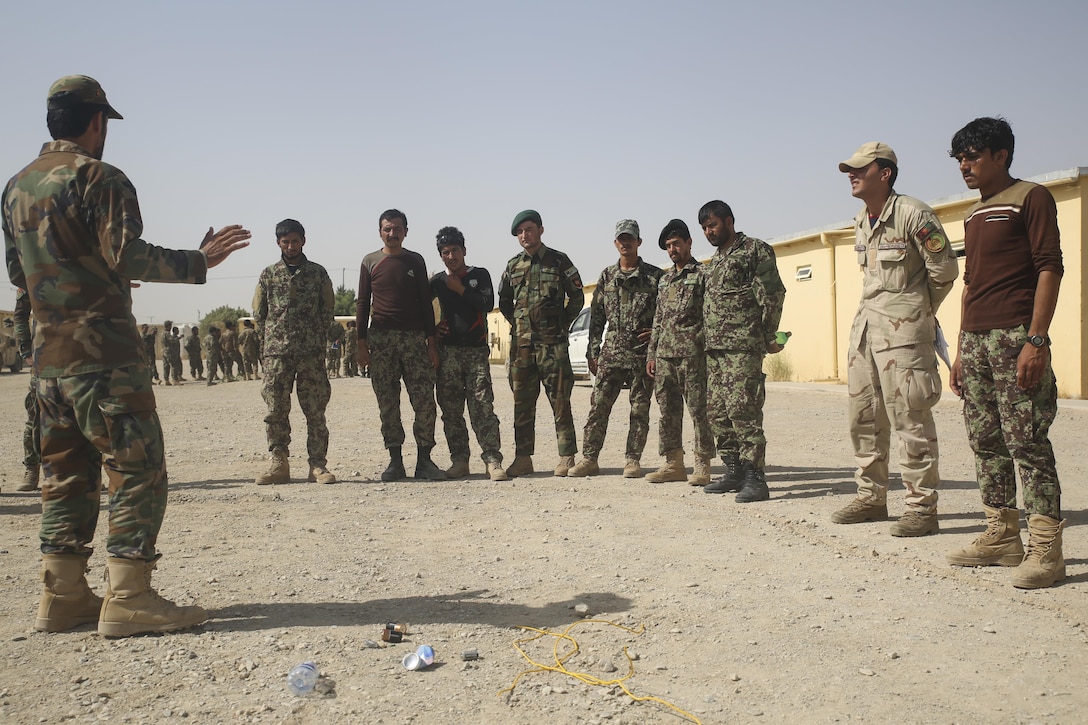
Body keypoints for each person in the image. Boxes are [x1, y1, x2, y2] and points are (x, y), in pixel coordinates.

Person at [2, 74, 250, 636]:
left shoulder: (15, 188)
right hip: (104, 360)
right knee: (137, 469)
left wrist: (84, 281)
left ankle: (62, 596)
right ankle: (129, 596)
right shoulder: (100, 177)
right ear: (95, 122)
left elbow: (23, 276)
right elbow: (127, 253)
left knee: (65, 474)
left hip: (48, 365)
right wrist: (198, 260)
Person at [946, 117, 1066, 589]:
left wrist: (1036, 340)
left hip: (1015, 336)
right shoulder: (974, 214)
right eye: (959, 158)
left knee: (1027, 442)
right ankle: (1001, 536)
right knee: (986, 441)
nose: (964, 165)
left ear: (1002, 156)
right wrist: (958, 348)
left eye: (973, 155)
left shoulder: (1030, 198)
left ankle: (1045, 550)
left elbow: (1049, 268)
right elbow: (970, 283)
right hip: (975, 341)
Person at [832, 142, 959, 536]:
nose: (852, 176)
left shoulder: (912, 213)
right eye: (850, 170)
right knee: (863, 418)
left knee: (910, 418)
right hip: (866, 334)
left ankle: (922, 506)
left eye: (860, 169)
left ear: (884, 173)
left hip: (904, 339)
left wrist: (915, 313)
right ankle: (872, 498)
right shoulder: (861, 219)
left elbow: (944, 271)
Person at [698, 200, 785, 503]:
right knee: (717, 413)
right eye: (705, 228)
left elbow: (773, 293)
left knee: (743, 412)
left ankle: (755, 477)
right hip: (716, 350)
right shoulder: (717, 261)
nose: (709, 231)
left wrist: (768, 334)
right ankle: (733, 470)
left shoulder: (754, 250)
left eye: (713, 225)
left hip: (743, 347)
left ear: (729, 221)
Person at [568, 220, 662, 478]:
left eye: (630, 238)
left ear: (639, 242)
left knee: (639, 409)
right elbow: (596, 318)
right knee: (598, 406)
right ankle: (589, 458)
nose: (625, 242)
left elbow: (665, 315)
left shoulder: (655, 277)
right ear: (615, 243)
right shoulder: (607, 276)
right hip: (612, 352)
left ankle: (633, 460)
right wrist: (593, 351)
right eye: (621, 238)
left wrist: (656, 336)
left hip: (642, 353)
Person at [355, 209, 444, 481]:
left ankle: (424, 461)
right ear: (380, 232)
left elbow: (426, 304)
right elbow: (362, 302)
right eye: (387, 229)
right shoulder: (370, 262)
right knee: (388, 402)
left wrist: (431, 342)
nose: (392, 233)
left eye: (397, 229)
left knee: (424, 401)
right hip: (381, 340)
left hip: (415, 340)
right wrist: (361, 343)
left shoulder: (415, 261)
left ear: (406, 231)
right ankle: (395, 462)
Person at [497, 210, 585, 477]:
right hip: (523, 347)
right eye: (520, 232)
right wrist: (520, 324)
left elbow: (577, 297)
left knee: (560, 400)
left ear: (540, 230)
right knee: (522, 403)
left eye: (529, 229)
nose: (525, 235)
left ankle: (566, 457)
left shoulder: (559, 261)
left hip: (553, 345)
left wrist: (561, 325)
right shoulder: (513, 265)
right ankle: (523, 458)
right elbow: (503, 301)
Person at [253, 218, 337, 485]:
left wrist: (317, 339)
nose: (290, 246)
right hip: (277, 354)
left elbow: (327, 309)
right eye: (285, 241)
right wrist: (267, 348)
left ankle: (318, 465)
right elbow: (259, 315)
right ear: (279, 242)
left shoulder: (318, 273)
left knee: (315, 410)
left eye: (295, 241)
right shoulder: (268, 275)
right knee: (276, 410)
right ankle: (279, 463)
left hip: (310, 353)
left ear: (303, 241)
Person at [429, 226, 509, 481]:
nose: (451, 256)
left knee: (482, 408)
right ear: (440, 255)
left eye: (455, 250)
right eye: (445, 252)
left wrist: (460, 288)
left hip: (475, 353)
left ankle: (492, 460)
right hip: (448, 353)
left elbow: (486, 304)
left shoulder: (479, 275)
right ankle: (459, 460)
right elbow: (420, 308)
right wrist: (431, 330)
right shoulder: (437, 282)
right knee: (451, 411)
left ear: (464, 250)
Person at [645, 219, 714, 486]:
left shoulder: (703, 275)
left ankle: (702, 464)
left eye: (676, 244)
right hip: (665, 358)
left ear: (688, 243)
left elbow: (710, 316)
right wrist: (652, 354)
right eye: (668, 246)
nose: (672, 249)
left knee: (699, 411)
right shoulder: (665, 280)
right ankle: (673, 464)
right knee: (668, 412)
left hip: (693, 355)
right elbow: (658, 320)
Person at [14, 287, 41, 491]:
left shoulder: (89, 261)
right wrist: (25, 348)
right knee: (35, 414)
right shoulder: (33, 265)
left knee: (85, 416)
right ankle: (32, 468)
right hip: (44, 354)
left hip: (83, 353)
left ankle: (87, 473)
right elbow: (21, 314)